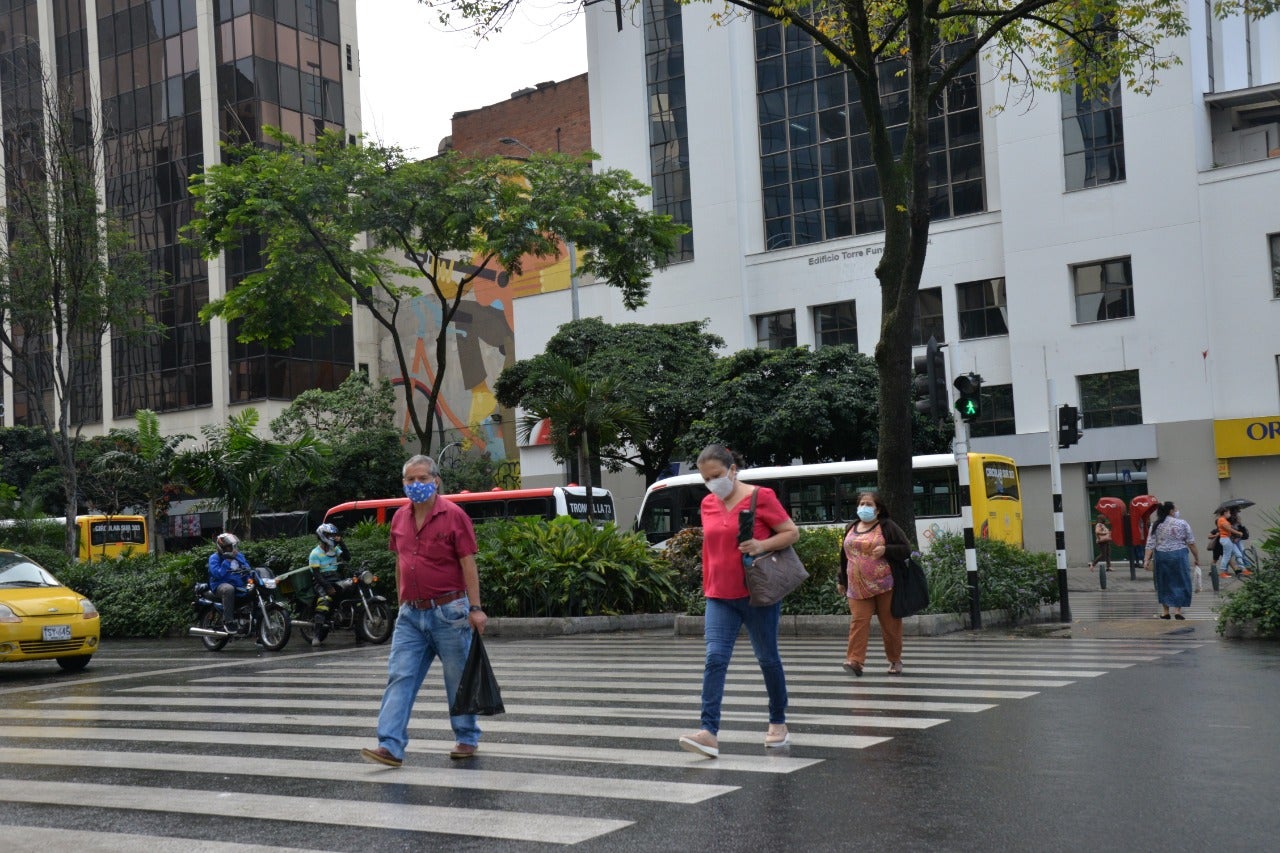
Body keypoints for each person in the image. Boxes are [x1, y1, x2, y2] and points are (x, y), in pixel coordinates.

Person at [362, 454, 487, 768]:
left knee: (458, 678)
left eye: (422, 479)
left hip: (450, 611)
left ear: (436, 481)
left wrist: (476, 608)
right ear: (403, 483)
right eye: (410, 480)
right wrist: (401, 600)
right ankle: (389, 745)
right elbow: (400, 562)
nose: (416, 485)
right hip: (411, 615)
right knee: (399, 676)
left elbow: (468, 564)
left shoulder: (454, 515)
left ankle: (467, 736)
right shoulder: (399, 518)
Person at [678, 444, 798, 758]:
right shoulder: (707, 503)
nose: (711, 483)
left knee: (767, 658)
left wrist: (761, 544)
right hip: (718, 595)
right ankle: (709, 732)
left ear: (733, 470)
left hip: (756, 594)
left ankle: (778, 722)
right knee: (714, 659)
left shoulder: (761, 497)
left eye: (716, 475)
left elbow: (790, 533)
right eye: (705, 478)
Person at [838, 492, 912, 676]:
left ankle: (895, 660)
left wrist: (886, 550)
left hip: (885, 584)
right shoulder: (851, 527)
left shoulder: (888, 526)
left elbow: (906, 549)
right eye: (861, 503)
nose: (864, 507)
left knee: (890, 624)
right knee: (858, 623)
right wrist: (841, 580)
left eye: (868, 504)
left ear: (877, 509)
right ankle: (855, 662)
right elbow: (844, 557)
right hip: (856, 586)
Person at [1143, 501, 1200, 620]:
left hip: (1161, 556)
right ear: (1171, 511)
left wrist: (1146, 559)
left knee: (1163, 582)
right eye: (1175, 509)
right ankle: (1177, 611)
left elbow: (1150, 543)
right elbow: (1191, 542)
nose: (1177, 511)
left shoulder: (1155, 525)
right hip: (1179, 555)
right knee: (1181, 581)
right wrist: (1196, 557)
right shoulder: (1182, 523)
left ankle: (1165, 612)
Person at [308, 522, 351, 647]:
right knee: (324, 601)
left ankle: (360, 634)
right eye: (330, 535)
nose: (333, 537)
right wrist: (328, 587)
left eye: (334, 535)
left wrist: (341, 542)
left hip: (335, 579)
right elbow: (316, 575)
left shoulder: (334, 549)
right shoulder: (315, 553)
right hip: (321, 582)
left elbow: (347, 557)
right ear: (323, 536)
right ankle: (316, 636)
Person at [207, 532, 251, 633]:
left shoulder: (239, 556)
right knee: (228, 589)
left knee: (253, 589)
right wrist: (227, 561)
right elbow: (218, 574)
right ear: (221, 547)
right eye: (228, 547)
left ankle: (255, 622)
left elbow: (247, 569)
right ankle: (228, 622)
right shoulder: (214, 558)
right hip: (220, 585)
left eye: (233, 546)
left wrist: (250, 579)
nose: (232, 549)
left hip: (239, 584)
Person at [1215, 508, 1248, 579]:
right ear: (1225, 513)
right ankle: (1222, 572)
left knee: (1238, 554)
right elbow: (1229, 529)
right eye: (1229, 513)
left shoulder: (1223, 520)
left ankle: (1244, 570)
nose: (1230, 514)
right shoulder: (1221, 520)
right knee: (1226, 555)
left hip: (1228, 539)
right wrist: (1238, 533)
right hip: (1225, 539)